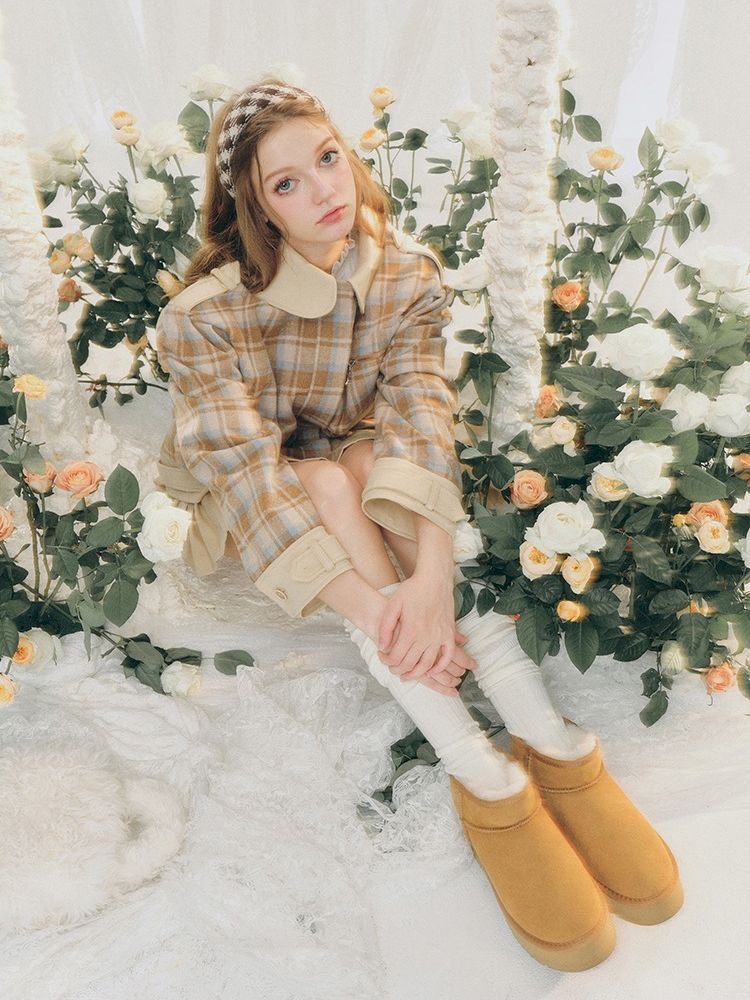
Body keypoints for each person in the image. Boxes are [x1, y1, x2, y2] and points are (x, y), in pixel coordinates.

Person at [153, 79, 683, 971]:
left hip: (364, 459)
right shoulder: (203, 316)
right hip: (257, 494)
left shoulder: (403, 276)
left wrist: (433, 579)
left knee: (369, 465)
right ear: (257, 207)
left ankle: (547, 741)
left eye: (328, 158)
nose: (323, 189)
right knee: (328, 480)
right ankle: (480, 771)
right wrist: (392, 618)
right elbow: (247, 477)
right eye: (286, 183)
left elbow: (422, 418)